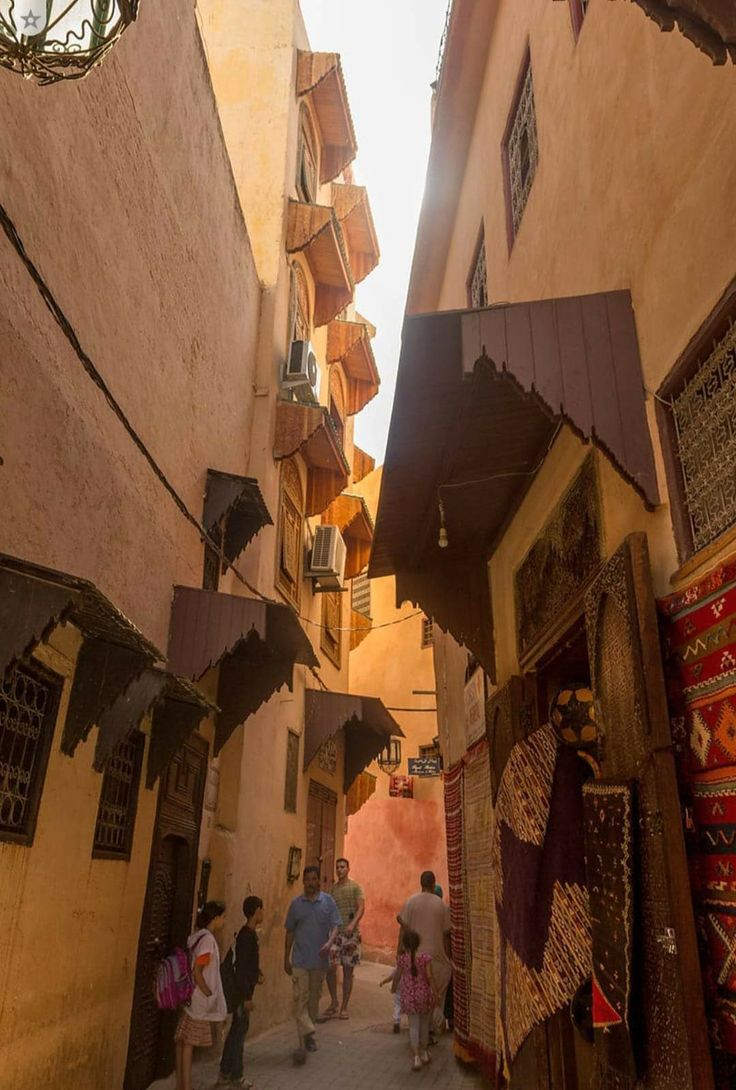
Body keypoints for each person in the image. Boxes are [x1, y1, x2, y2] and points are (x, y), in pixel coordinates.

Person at [284, 865, 340, 1058]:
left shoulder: (328, 902)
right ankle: (301, 1045)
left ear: (319, 881)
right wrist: (286, 957)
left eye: (313, 879)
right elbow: (290, 931)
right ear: (303, 882)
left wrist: (330, 942)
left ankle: (309, 1034)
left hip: (319, 962)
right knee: (300, 1000)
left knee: (313, 1003)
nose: (310, 883)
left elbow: (335, 926)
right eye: (307, 879)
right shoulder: (296, 904)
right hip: (299, 961)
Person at [175, 901, 228, 1090]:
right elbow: (198, 969)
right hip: (198, 998)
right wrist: (207, 992)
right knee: (189, 1043)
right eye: (222, 917)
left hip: (190, 996)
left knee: (183, 1041)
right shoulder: (207, 940)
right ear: (215, 918)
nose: (224, 921)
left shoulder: (196, 936)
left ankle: (181, 1085)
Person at [397, 871, 452, 1042]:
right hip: (435, 957)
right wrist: (449, 957)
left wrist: (399, 949)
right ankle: (430, 1030)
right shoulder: (442, 906)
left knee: (415, 992)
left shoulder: (410, 902)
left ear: (421, 883)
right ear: (433, 883)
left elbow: (403, 926)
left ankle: (416, 1030)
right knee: (435, 995)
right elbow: (446, 934)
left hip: (415, 956)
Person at [217, 895, 264, 1089]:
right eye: (261, 909)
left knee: (236, 1032)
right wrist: (246, 997)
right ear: (256, 911)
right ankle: (236, 1075)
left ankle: (225, 1074)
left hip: (240, 992)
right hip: (240, 994)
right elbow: (241, 968)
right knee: (238, 1034)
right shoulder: (247, 936)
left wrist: (258, 974)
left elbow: (246, 964)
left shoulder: (247, 934)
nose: (263, 912)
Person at [323, 857, 365, 1020]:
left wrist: (352, 925)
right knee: (330, 968)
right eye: (338, 867)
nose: (340, 869)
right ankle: (334, 1001)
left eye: (343, 867)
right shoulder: (332, 890)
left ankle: (344, 1007)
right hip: (335, 935)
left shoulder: (355, 887)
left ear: (348, 869)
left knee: (348, 971)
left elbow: (361, 908)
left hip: (351, 935)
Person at [392, 928, 438, 1072]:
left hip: (409, 997)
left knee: (413, 1026)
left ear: (405, 944)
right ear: (418, 943)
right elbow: (430, 977)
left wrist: (393, 988)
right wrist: (436, 993)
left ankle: (416, 1057)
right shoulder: (425, 958)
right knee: (424, 1026)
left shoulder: (402, 959)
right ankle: (424, 1052)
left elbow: (397, 976)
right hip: (424, 995)